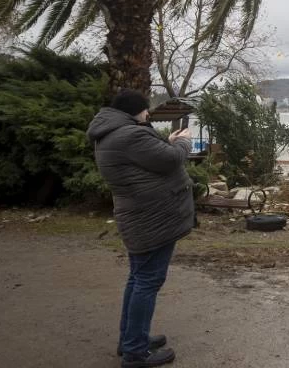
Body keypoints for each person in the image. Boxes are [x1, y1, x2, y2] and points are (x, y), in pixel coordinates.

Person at [87, 88, 194, 368]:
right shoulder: (130, 134)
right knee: (147, 281)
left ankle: (132, 339)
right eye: (146, 111)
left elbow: (152, 157)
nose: (148, 115)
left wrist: (167, 141)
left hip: (140, 217)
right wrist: (183, 143)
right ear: (136, 110)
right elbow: (170, 160)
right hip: (152, 219)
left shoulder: (113, 133)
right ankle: (135, 352)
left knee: (138, 279)